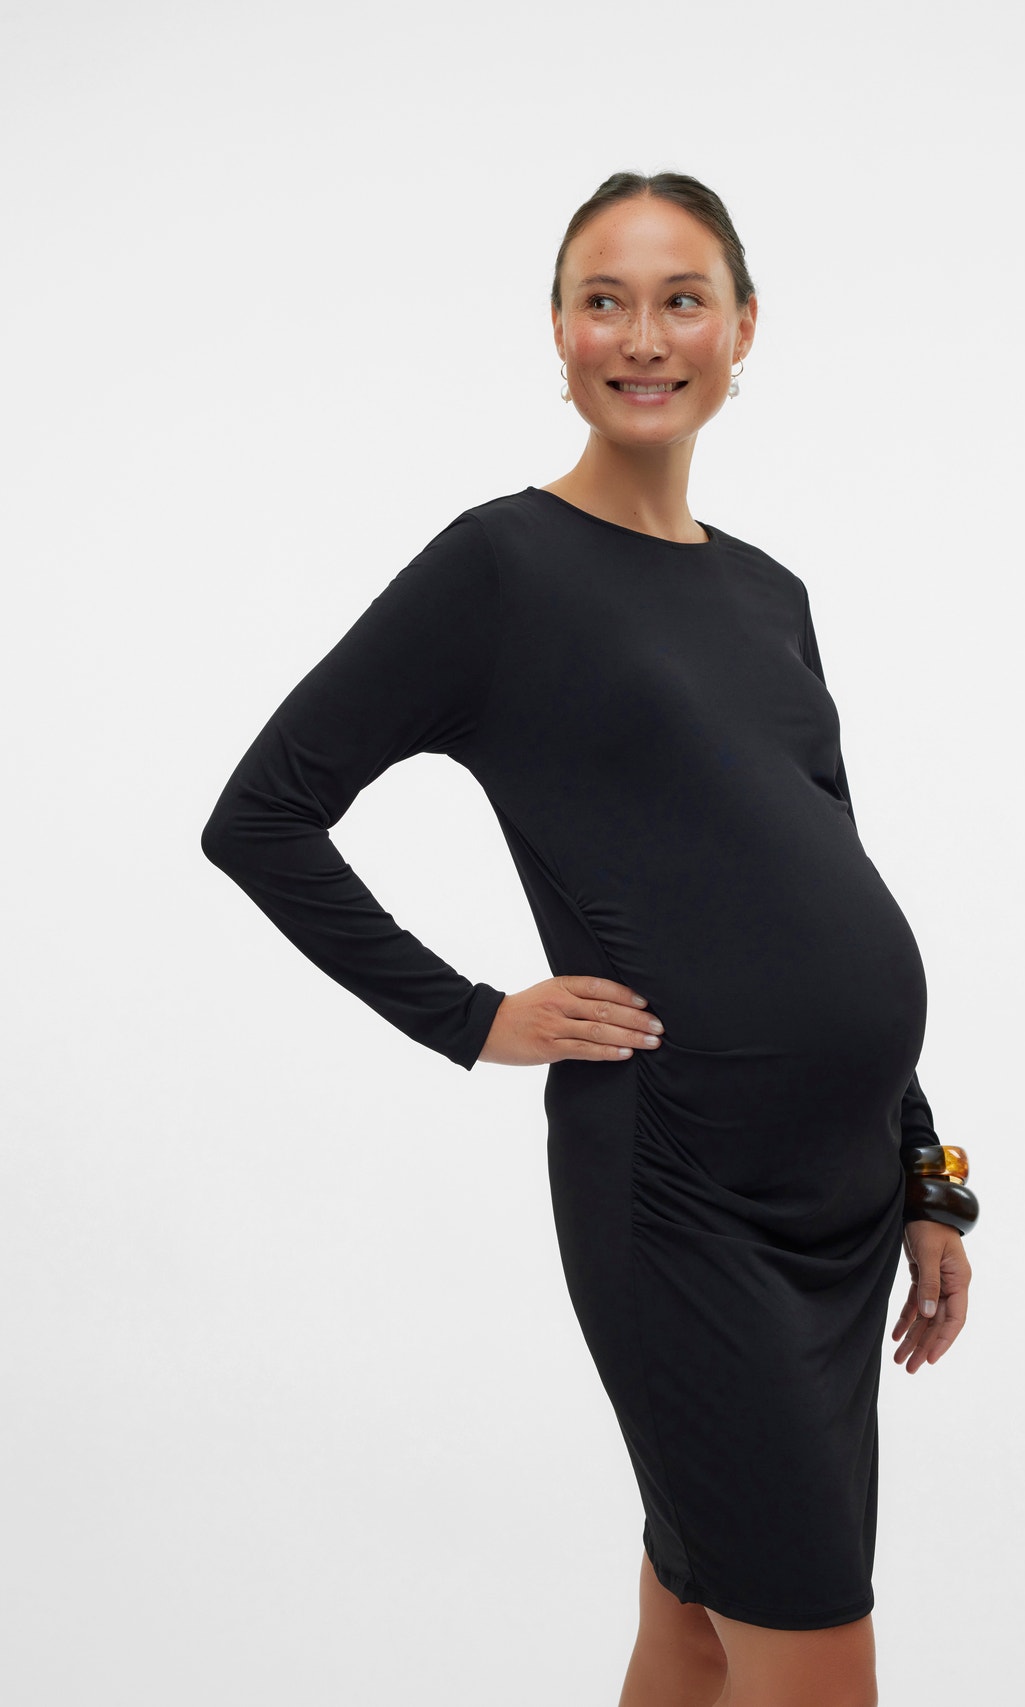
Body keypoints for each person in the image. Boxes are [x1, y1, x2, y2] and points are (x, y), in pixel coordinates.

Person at [201, 170, 978, 1707]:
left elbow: (825, 876)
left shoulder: (769, 594)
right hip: (679, 1193)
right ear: (556, 332)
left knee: (694, 1626)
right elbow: (263, 817)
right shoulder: (500, 568)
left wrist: (926, 1173)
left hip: (841, 1204)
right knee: (816, 1656)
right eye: (602, 301)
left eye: (681, 299)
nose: (642, 335)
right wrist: (473, 1015)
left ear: (743, 327)